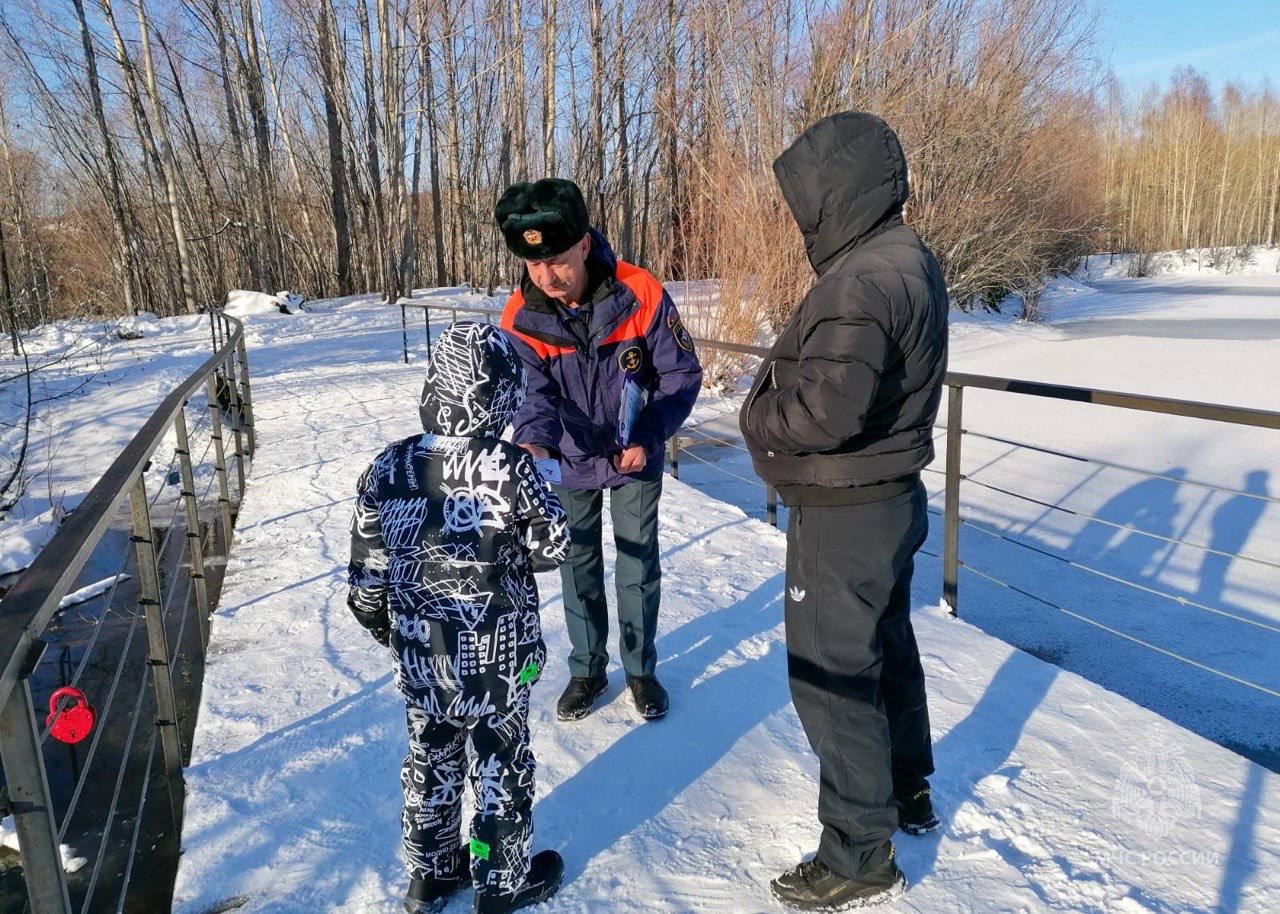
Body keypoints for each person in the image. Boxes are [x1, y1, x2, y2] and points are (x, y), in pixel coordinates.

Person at [740, 111, 947, 909]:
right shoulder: (906, 257)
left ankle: (860, 853)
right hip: (889, 497)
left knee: (830, 675)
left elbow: (825, 411)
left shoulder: (862, 279)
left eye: (807, 201)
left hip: (847, 506)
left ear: (840, 192)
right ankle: (907, 791)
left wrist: (756, 416)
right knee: (885, 648)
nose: (802, 219)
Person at [347, 321, 571, 914]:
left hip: (422, 656)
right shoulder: (511, 467)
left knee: (430, 756)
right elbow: (552, 550)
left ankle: (432, 874)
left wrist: (382, 623)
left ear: (434, 385)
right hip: (500, 658)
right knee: (501, 759)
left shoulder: (387, 466)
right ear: (501, 395)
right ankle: (499, 883)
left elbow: (365, 572)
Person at [496, 178, 702, 723]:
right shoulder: (520, 314)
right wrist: (534, 441)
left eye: (558, 261)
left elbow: (680, 374)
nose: (547, 276)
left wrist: (649, 433)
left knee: (637, 564)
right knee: (576, 563)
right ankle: (587, 670)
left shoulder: (642, 292)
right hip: (567, 459)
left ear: (584, 243)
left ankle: (641, 671)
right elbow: (529, 392)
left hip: (637, 452)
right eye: (533, 265)